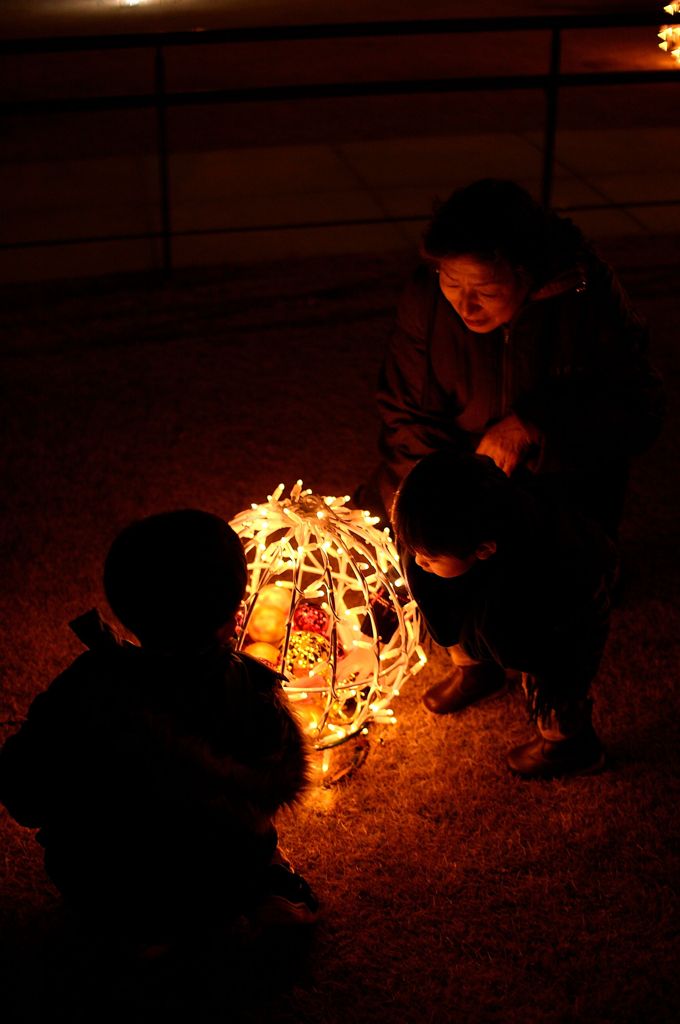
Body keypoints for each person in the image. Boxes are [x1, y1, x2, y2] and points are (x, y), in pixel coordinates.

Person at [0, 510, 318, 954]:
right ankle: (266, 891)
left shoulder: (88, 682)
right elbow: (268, 790)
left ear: (124, 607)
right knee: (244, 835)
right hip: (219, 880)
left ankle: (141, 927)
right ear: (234, 613)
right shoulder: (253, 690)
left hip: (102, 880)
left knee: (100, 851)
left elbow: (22, 786)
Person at [358, 179, 664, 540]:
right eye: (452, 282)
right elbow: (407, 413)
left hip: (555, 482)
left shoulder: (585, 294)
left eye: (486, 291)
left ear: (526, 274)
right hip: (447, 479)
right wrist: (433, 502)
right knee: (373, 546)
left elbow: (638, 408)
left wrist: (532, 423)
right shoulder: (426, 298)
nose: (465, 305)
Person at [393, 450, 616, 779]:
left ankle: (569, 745)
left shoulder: (536, 582)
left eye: (429, 557)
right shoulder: (457, 522)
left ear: (483, 550)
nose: (419, 562)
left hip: (564, 622)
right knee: (446, 595)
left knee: (557, 680)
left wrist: (484, 637)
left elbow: (523, 643)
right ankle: (480, 673)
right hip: (490, 585)